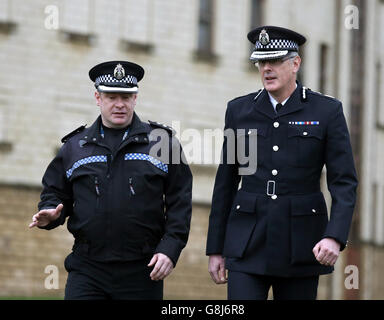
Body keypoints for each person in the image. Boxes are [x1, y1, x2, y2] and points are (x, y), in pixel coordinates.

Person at [206, 26, 358, 300]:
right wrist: (215, 248)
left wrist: (334, 236)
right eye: (261, 62)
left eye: (275, 61)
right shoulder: (240, 111)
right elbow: (226, 182)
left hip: (300, 243)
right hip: (247, 242)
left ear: (295, 63)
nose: (267, 68)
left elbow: (344, 181)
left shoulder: (326, 111)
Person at [29, 60, 193, 300]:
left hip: (142, 270)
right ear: (98, 98)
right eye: (111, 97)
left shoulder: (162, 144)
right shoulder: (75, 147)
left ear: (135, 98)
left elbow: (180, 202)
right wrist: (50, 212)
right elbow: (55, 192)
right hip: (87, 269)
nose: (120, 104)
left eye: (126, 97)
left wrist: (170, 249)